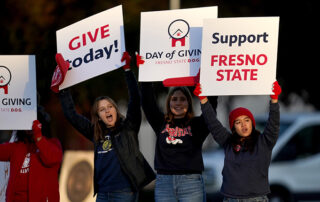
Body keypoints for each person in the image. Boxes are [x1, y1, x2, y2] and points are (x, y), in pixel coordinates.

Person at [53, 52, 155, 202]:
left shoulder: (129, 128)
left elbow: (134, 100)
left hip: (124, 193)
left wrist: (128, 70)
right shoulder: (95, 132)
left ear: (116, 110)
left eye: (109, 107)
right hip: (102, 194)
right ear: (98, 116)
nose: (107, 110)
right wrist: (63, 88)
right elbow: (71, 115)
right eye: (102, 109)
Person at [194, 81, 282, 202]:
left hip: (256, 199)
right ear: (233, 127)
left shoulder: (264, 142)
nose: (243, 125)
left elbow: (274, 124)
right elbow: (213, 123)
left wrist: (274, 100)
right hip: (231, 198)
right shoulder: (228, 141)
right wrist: (203, 100)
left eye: (247, 120)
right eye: (238, 122)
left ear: (252, 123)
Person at [140, 79, 218, 202]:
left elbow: (211, 110)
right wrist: (146, 78)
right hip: (164, 182)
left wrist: (209, 82)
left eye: (182, 99)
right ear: (169, 102)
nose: (178, 103)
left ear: (189, 103)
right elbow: (147, 102)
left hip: (191, 182)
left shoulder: (197, 125)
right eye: (174, 99)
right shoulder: (160, 122)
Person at [0, 109, 63, 202]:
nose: (29, 127)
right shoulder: (16, 147)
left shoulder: (53, 144)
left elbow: (52, 158)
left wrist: (38, 137)